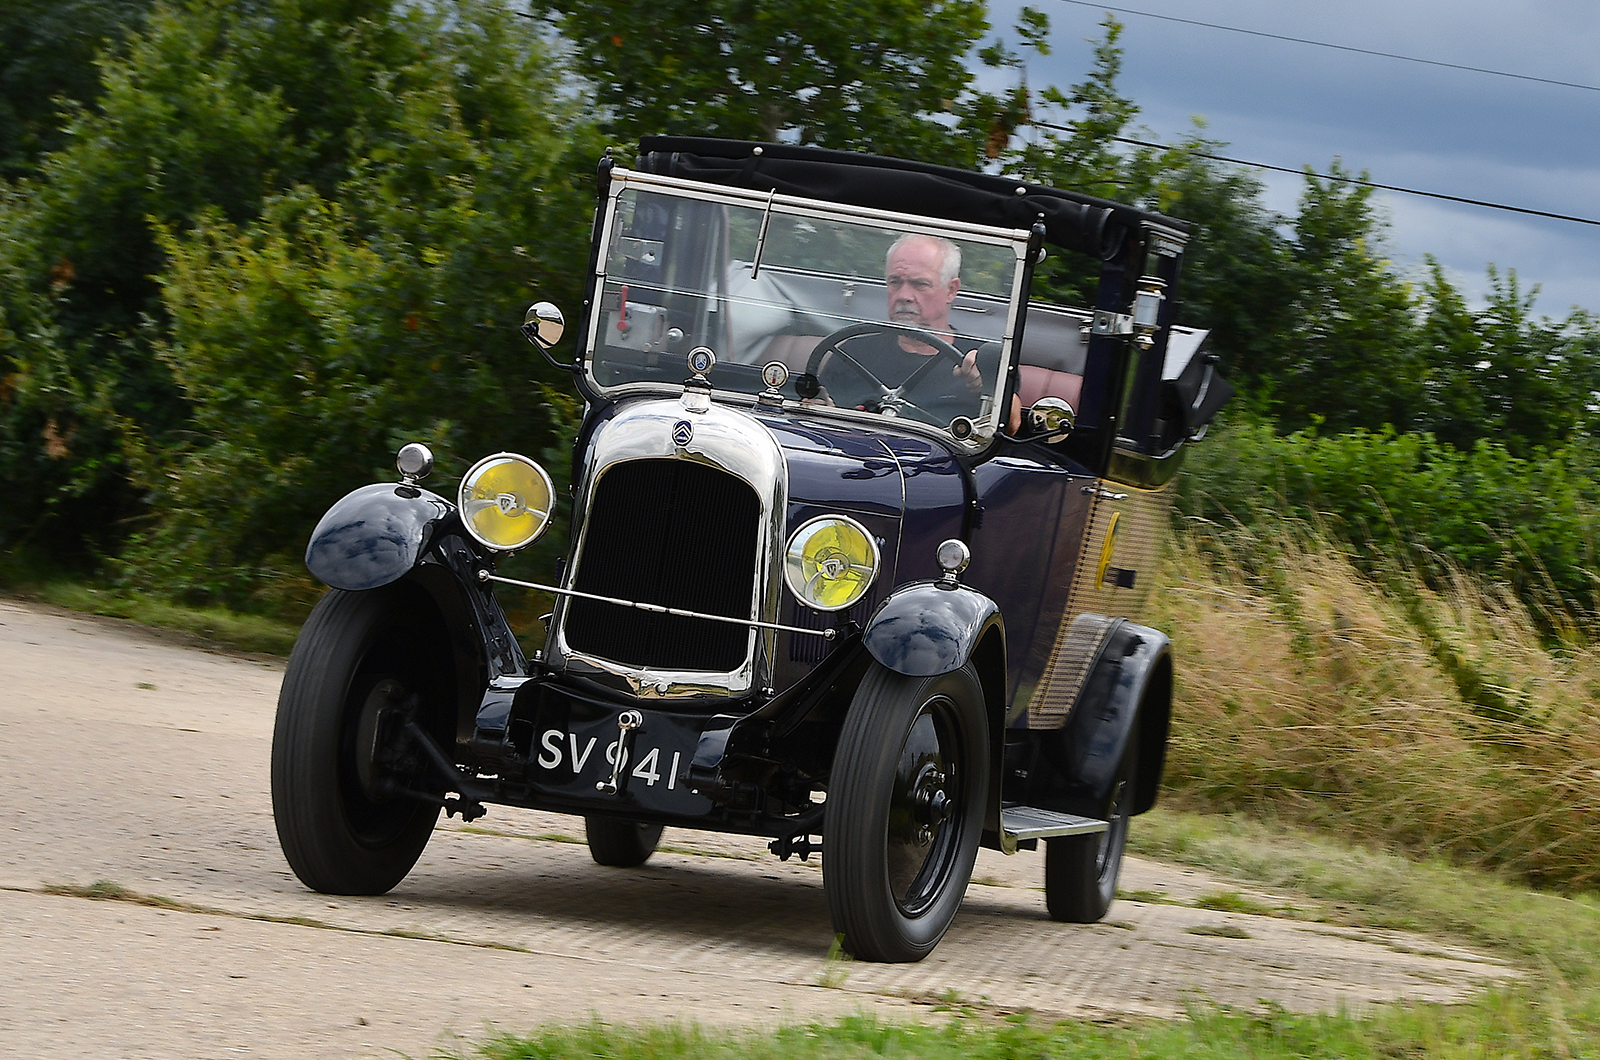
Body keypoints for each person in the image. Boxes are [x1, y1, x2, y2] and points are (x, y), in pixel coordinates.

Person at [812, 234, 996, 425]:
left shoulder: (980, 362)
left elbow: (1010, 424)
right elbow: (820, 416)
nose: (904, 296)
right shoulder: (851, 353)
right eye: (895, 282)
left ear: (951, 290)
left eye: (919, 284)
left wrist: (986, 386)